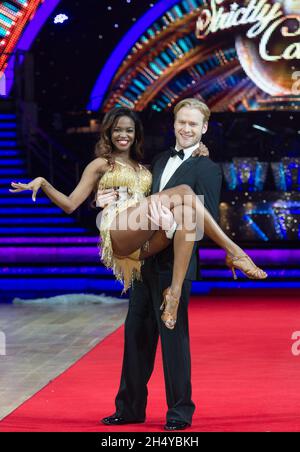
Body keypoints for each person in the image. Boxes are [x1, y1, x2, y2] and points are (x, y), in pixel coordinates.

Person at [10, 101, 267, 430]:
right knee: (136, 339)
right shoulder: (156, 162)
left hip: (174, 262)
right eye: (181, 123)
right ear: (173, 125)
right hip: (139, 253)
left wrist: (171, 225)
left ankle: (179, 413)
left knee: (172, 342)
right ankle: (129, 408)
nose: (186, 129)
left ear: (204, 129)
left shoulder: (205, 167)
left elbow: (203, 223)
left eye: (193, 124)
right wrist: (59, 188)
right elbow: (102, 203)